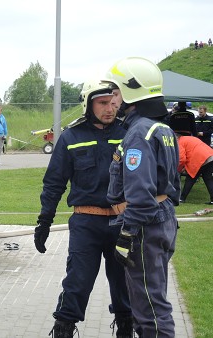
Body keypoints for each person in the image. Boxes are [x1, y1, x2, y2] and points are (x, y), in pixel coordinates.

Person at [34, 79, 131, 337]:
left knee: (124, 287)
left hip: (123, 225)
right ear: (88, 104)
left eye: (113, 102)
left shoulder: (128, 134)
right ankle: (64, 330)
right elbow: (54, 183)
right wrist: (44, 221)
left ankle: (126, 329)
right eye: (102, 103)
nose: (109, 108)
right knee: (77, 284)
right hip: (86, 224)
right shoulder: (70, 137)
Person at [103, 57, 180, 338]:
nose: (112, 98)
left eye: (115, 91)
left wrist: (127, 232)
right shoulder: (162, 129)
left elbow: (142, 197)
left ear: (131, 92)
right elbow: (171, 186)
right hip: (162, 220)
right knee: (150, 298)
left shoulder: (138, 134)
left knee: (149, 309)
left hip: (145, 227)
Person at [175, 133, 213, 204]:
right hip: (210, 155)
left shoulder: (179, 142)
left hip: (199, 159)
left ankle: (182, 199)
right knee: (208, 179)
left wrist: (178, 169)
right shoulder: (189, 138)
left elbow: (181, 159)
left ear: (176, 138)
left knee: (190, 179)